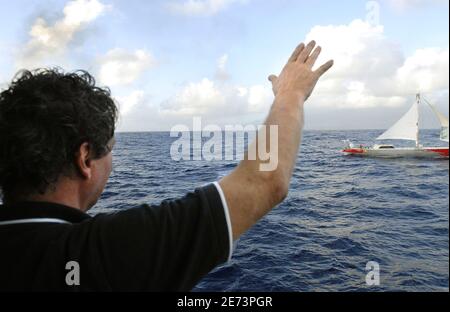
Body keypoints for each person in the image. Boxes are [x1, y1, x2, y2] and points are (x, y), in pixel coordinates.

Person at [0, 41, 333, 291]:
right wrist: (290, 94)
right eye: (110, 150)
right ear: (85, 159)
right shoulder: (106, 249)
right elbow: (264, 182)